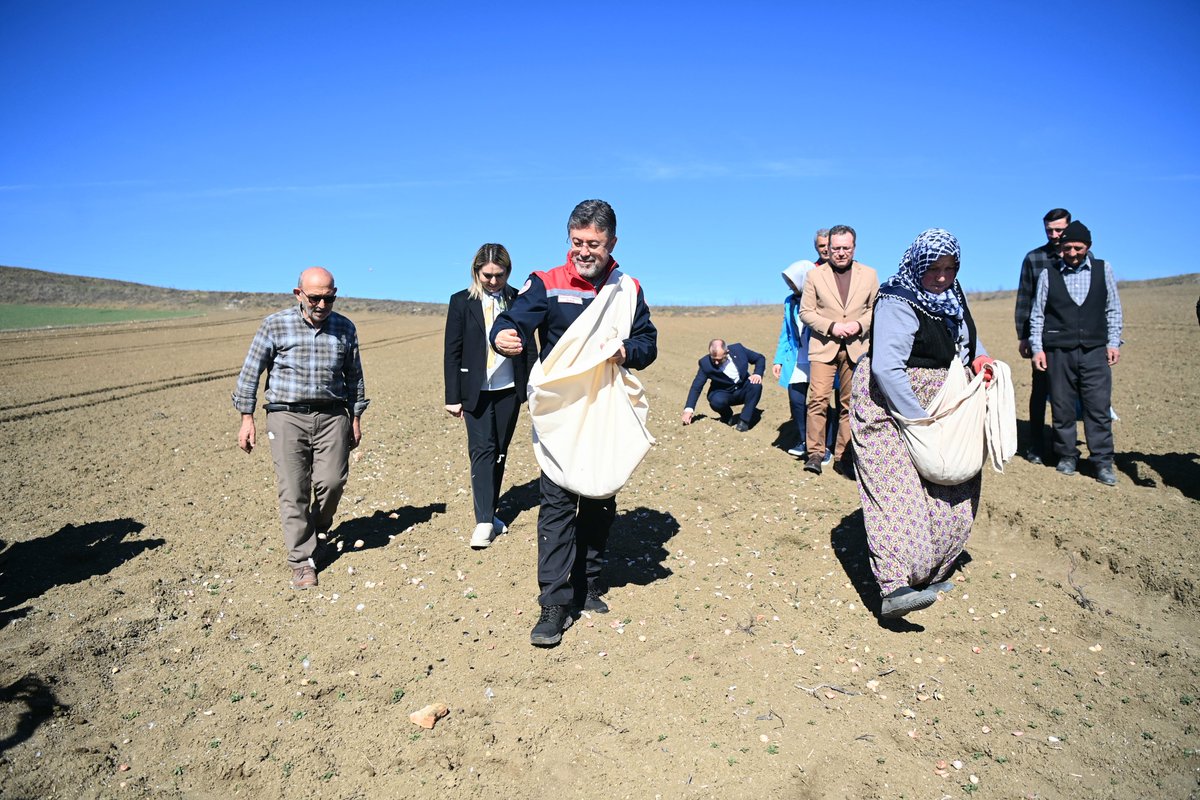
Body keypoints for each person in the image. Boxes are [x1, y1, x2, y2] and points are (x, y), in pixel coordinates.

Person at [491, 199, 658, 646]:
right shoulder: (546, 282)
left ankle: (589, 583)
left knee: (600, 496)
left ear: (612, 243)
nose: (585, 251)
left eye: (595, 244)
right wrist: (502, 334)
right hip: (561, 414)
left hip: (605, 408)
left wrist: (625, 350)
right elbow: (511, 320)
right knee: (559, 502)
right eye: (578, 242)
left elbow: (648, 343)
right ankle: (553, 601)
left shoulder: (628, 288)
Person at [850, 229, 995, 619]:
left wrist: (979, 360)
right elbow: (886, 367)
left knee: (951, 484)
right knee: (896, 490)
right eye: (934, 269)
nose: (943, 277)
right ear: (917, 264)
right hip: (890, 407)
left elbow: (966, 338)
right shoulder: (898, 299)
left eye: (951, 269)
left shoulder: (953, 295)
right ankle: (895, 587)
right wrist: (918, 420)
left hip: (944, 403)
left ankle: (932, 573)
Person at [233, 267, 368, 590]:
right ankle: (302, 561)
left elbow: (355, 378)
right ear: (299, 295)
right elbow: (251, 373)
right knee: (293, 490)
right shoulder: (275, 325)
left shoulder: (345, 328)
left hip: (332, 416)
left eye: (329, 298)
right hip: (286, 416)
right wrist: (246, 417)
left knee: (332, 482)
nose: (322, 305)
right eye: (315, 298)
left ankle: (318, 527)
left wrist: (356, 417)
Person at [444, 244, 536, 549]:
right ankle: (483, 521)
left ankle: (490, 512)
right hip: (476, 391)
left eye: (499, 275)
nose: (493, 281)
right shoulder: (461, 302)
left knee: (499, 451)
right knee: (481, 450)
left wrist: (532, 386)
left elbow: (530, 346)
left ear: (508, 272)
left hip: (510, 389)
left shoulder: (518, 301)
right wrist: (452, 395)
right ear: (476, 272)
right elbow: (452, 351)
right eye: (487, 275)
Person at [1030, 221, 1122, 486]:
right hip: (1058, 351)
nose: (1072, 253)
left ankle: (1102, 462)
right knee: (1062, 406)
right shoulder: (1049, 274)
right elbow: (1038, 315)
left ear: (1088, 247)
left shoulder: (1104, 270)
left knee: (1098, 407)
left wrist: (1113, 342)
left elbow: (1113, 309)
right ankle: (1067, 456)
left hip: (1095, 351)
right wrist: (1038, 349)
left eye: (1078, 248)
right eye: (1067, 247)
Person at [800, 224, 879, 476]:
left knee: (849, 404)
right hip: (824, 346)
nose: (841, 253)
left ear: (854, 248)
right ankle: (815, 453)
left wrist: (858, 324)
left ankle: (843, 457)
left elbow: (875, 311)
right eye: (836, 248)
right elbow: (806, 312)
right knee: (818, 400)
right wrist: (831, 326)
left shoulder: (869, 274)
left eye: (846, 248)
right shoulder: (814, 276)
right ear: (829, 249)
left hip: (857, 348)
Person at [1014, 208, 1072, 464]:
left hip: (1073, 339)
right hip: (1042, 338)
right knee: (1040, 391)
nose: (1054, 235)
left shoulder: (1082, 257)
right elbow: (1024, 299)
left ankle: (1064, 448)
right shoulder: (1034, 258)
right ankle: (1036, 445)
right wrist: (1024, 336)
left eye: (1059, 230)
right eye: (1049, 230)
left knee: (1069, 396)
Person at [681, 339, 764, 431]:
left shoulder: (738, 349)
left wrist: (757, 373)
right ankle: (727, 416)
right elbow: (696, 386)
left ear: (727, 352)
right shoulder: (705, 364)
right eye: (713, 359)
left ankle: (744, 421)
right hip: (724, 393)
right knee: (716, 401)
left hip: (743, 389)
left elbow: (759, 358)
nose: (716, 362)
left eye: (719, 359)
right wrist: (689, 410)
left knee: (756, 386)